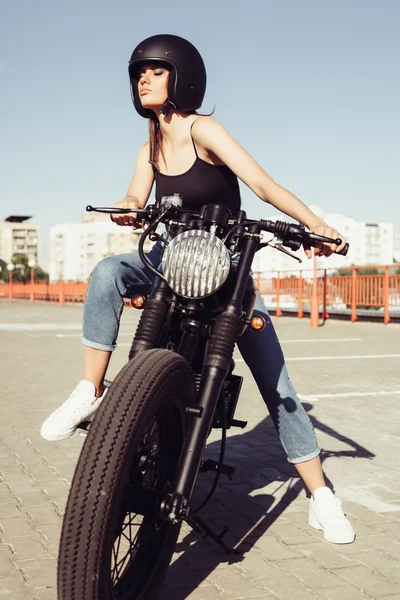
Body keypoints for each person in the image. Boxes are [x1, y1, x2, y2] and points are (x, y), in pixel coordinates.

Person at [41, 34, 355, 544]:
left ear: (181, 75)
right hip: (170, 262)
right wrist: (126, 205)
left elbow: (262, 184)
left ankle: (322, 497)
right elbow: (134, 193)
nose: (143, 78)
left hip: (226, 266)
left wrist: (317, 225)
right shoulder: (149, 146)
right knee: (106, 273)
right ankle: (90, 391)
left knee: (280, 390)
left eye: (155, 70)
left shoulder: (203, 130)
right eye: (138, 71)